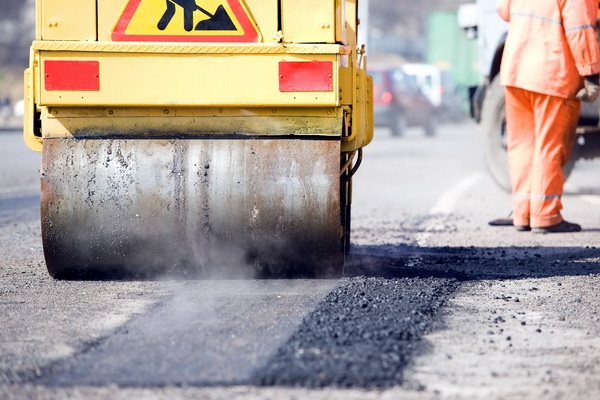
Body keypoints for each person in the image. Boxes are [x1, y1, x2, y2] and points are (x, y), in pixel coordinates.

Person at [496, 0, 600, 233]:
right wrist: (591, 73)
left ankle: (523, 213)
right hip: (552, 74)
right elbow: (580, 28)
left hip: (516, 71)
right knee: (550, 146)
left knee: (522, 145)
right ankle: (546, 214)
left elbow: (503, 10)